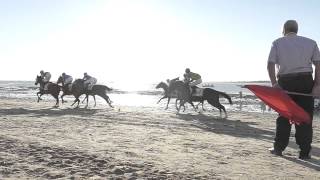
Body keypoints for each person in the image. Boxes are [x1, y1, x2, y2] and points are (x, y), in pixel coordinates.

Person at [267, 20, 320, 159]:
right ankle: (304, 152)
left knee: (284, 116)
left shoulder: (278, 42)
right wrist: (317, 85)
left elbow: (270, 64)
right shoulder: (311, 42)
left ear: (284, 29)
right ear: (297, 29)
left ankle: (278, 149)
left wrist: (274, 84)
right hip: (306, 81)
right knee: (304, 117)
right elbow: (318, 65)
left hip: (285, 82)